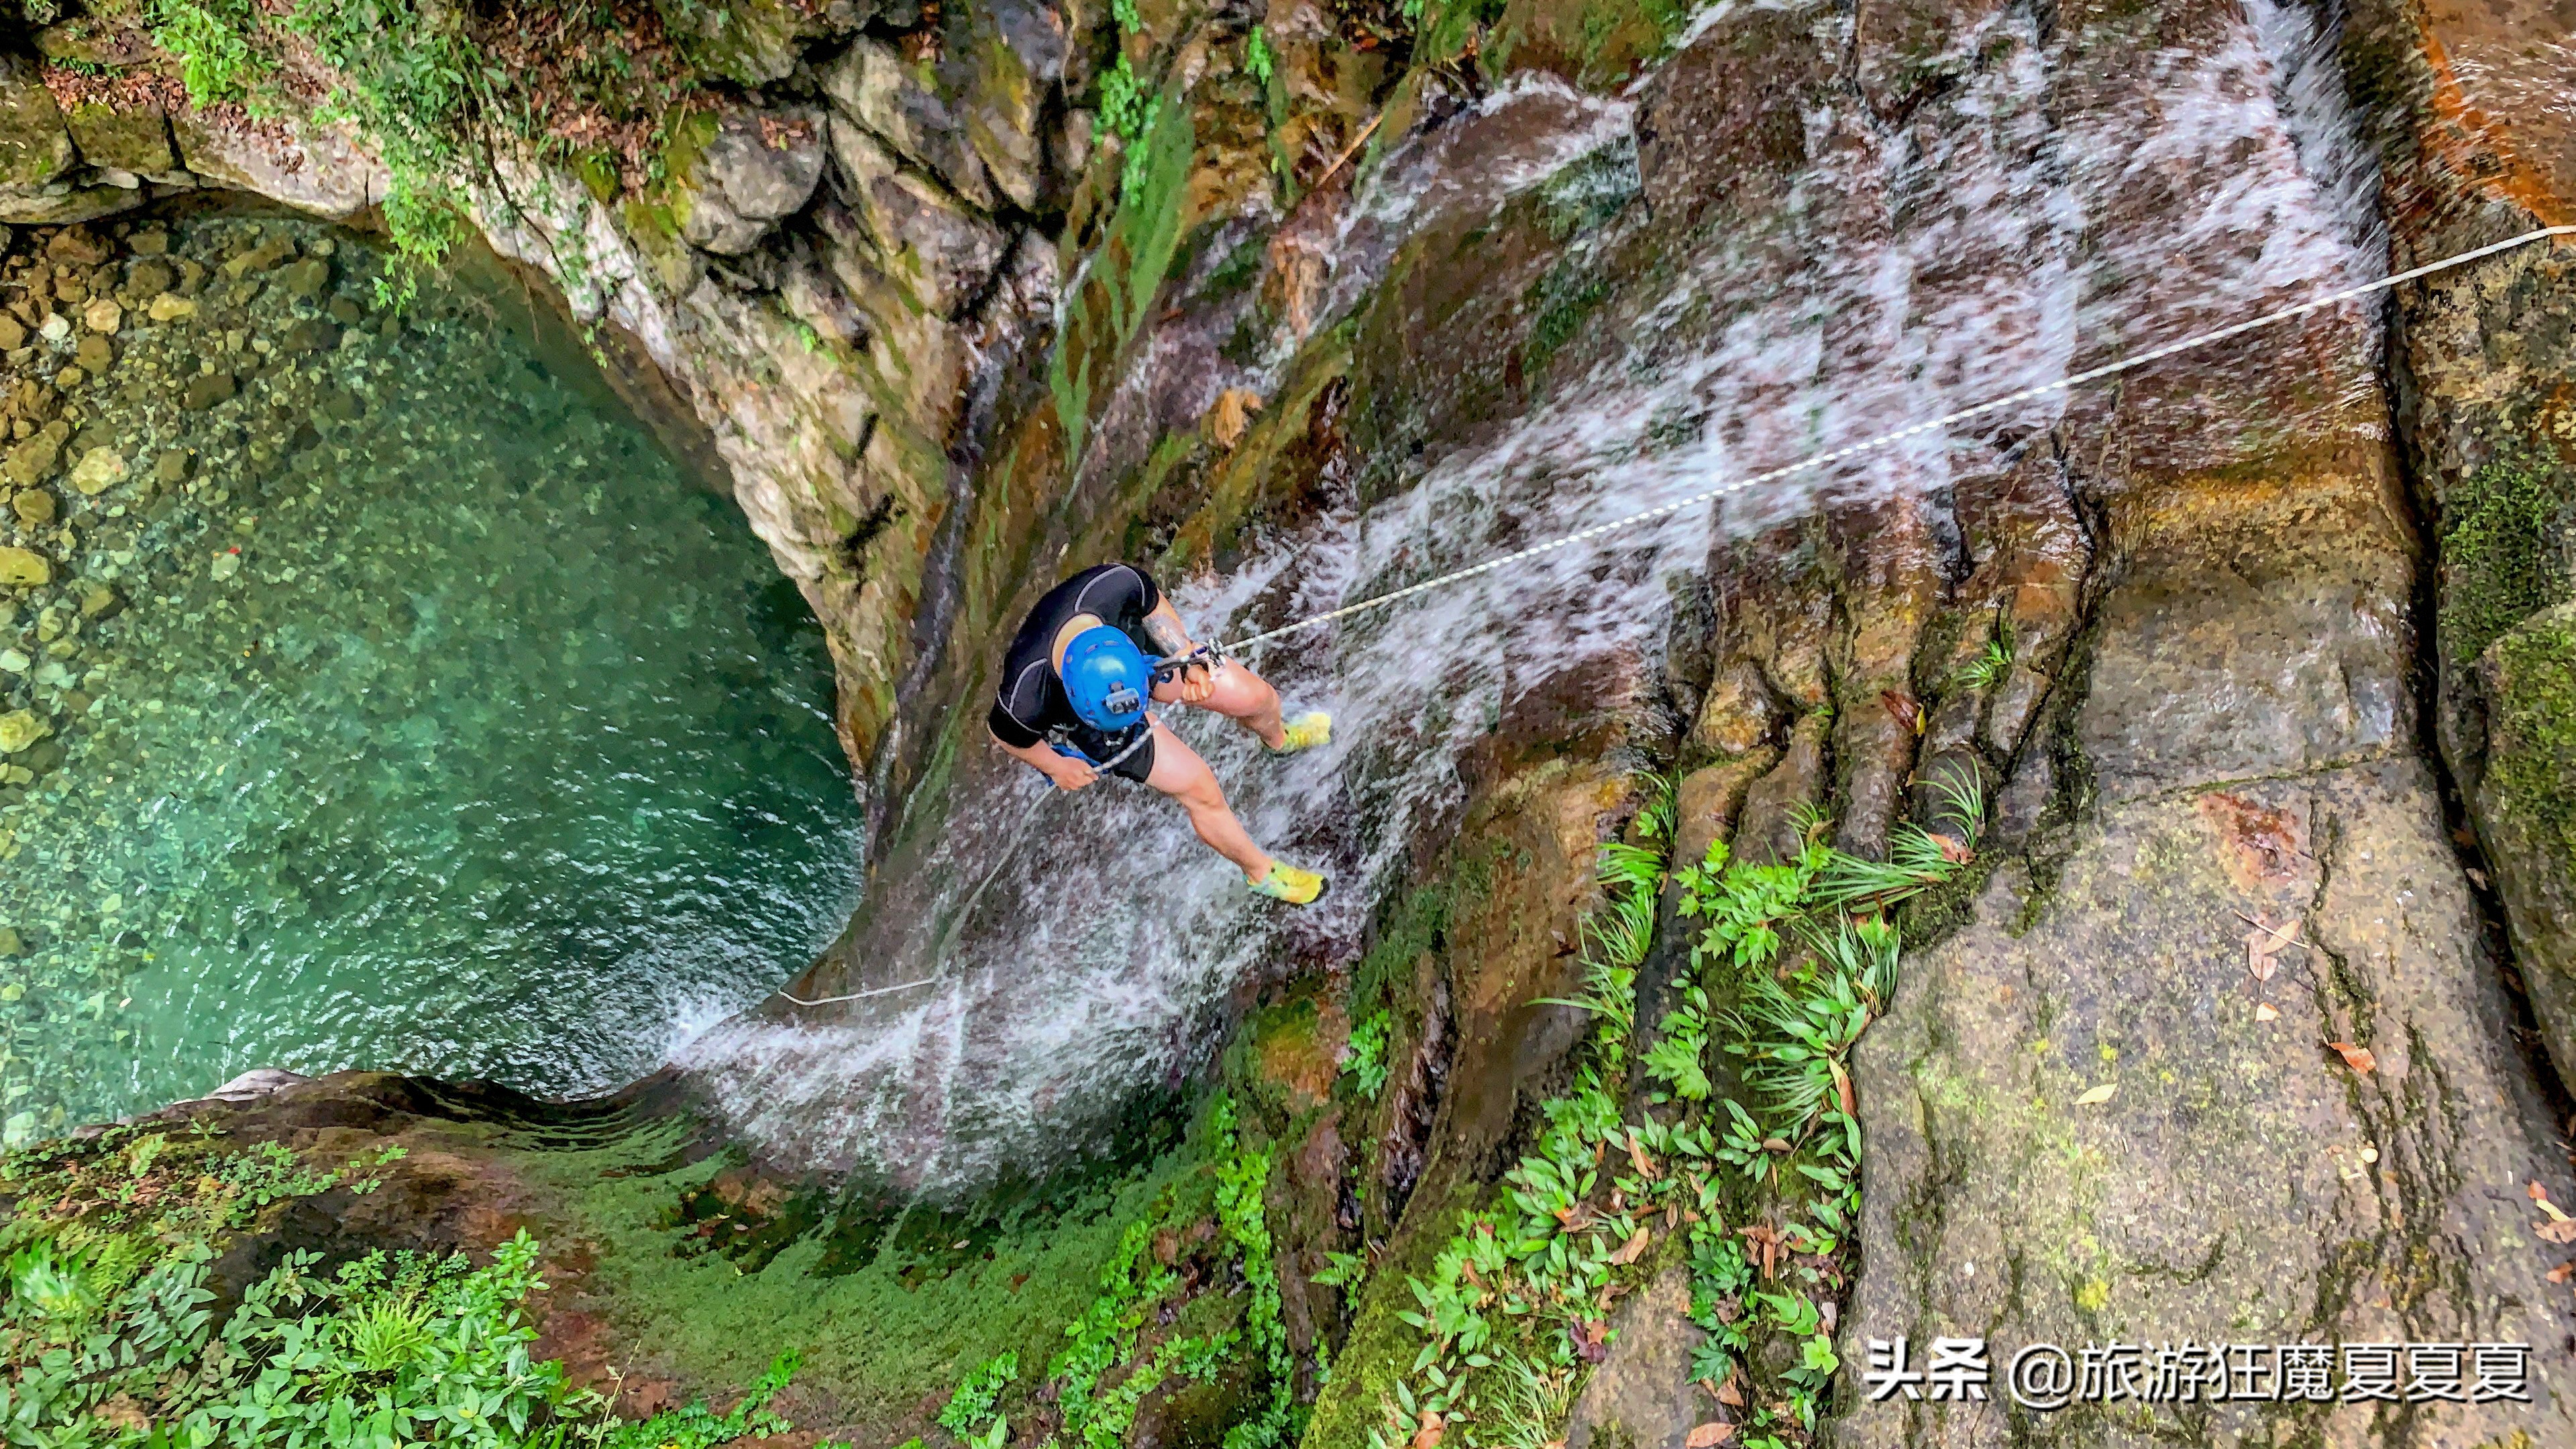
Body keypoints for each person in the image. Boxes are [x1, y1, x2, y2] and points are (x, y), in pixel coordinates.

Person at [987, 563, 1332, 904]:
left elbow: (1153, 607)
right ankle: (1261, 874)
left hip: (1138, 655)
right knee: (1200, 787)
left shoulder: (1114, 585)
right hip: (1086, 719)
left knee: (1256, 698)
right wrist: (1055, 766)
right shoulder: (1026, 695)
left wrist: (1184, 653)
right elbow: (1005, 734)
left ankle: (1279, 739)